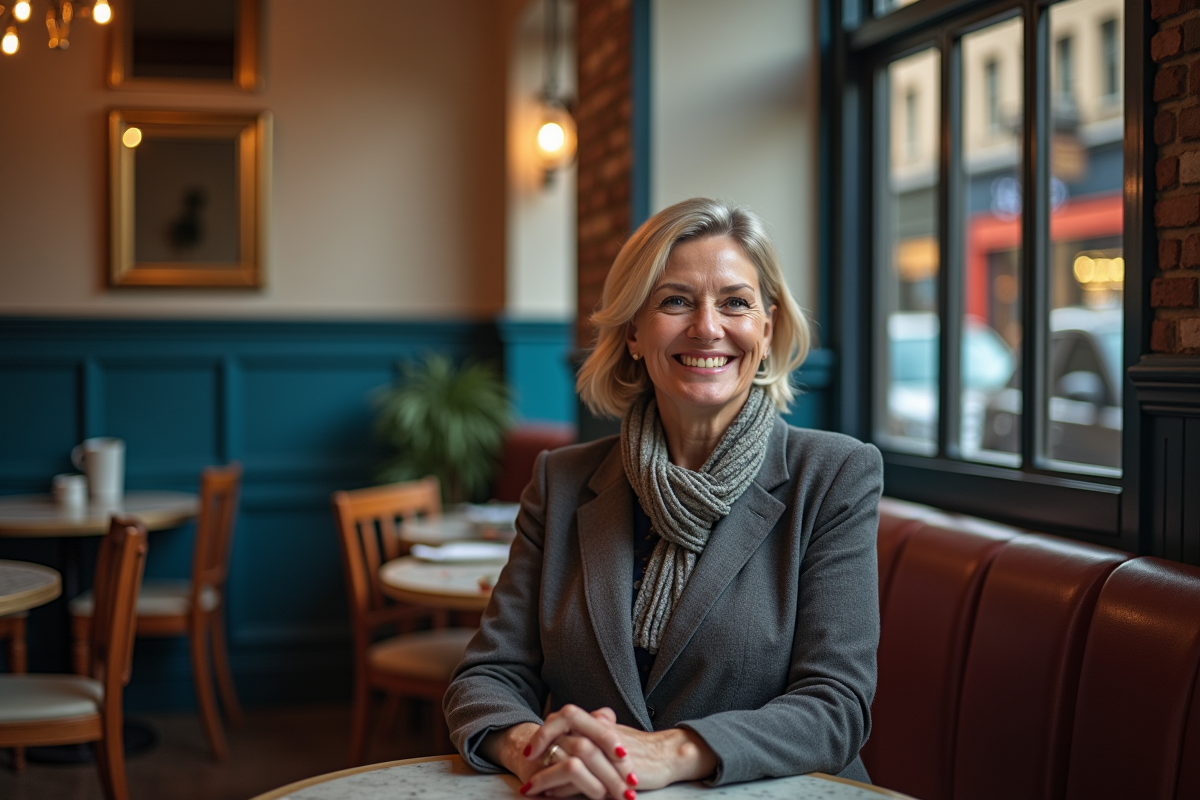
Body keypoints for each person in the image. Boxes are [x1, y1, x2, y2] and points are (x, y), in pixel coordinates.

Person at [444, 198, 882, 799]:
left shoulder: (834, 475)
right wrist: (535, 746)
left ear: (767, 327)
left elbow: (837, 706)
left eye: (735, 302)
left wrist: (668, 752)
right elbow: (488, 676)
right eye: (675, 301)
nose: (707, 327)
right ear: (633, 332)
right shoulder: (561, 482)